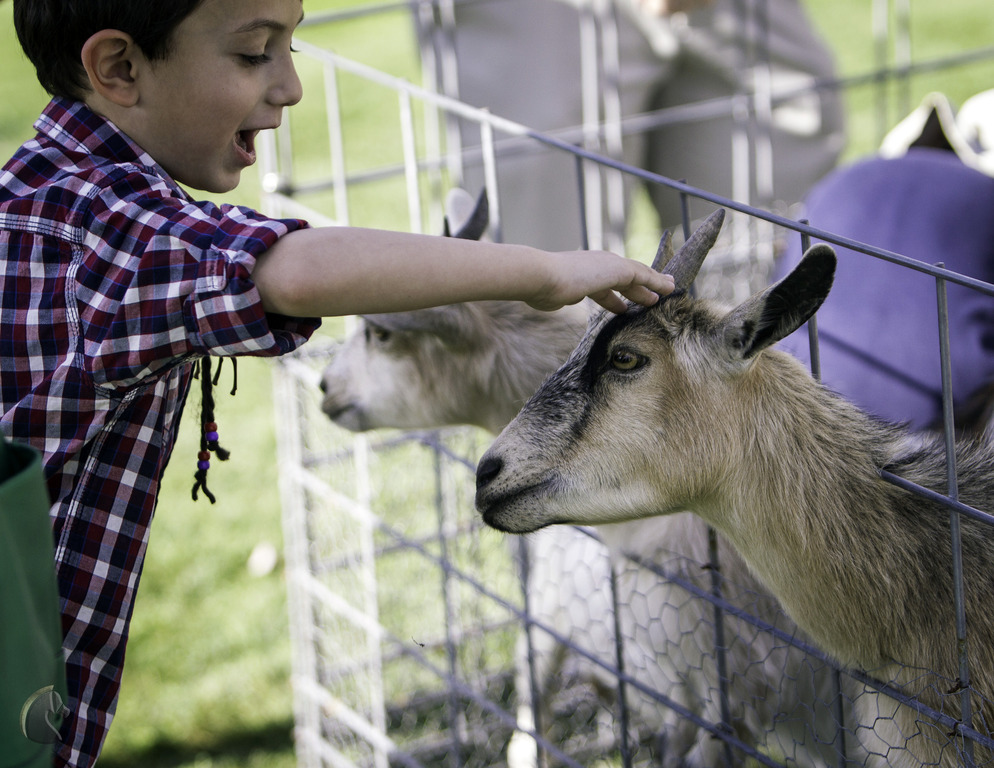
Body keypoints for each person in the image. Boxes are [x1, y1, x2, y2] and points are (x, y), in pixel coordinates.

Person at [0, 2, 675, 766]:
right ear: (120, 69)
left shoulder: (37, 196)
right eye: (256, 54)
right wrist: (547, 273)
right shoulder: (110, 233)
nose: (290, 86)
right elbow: (294, 269)